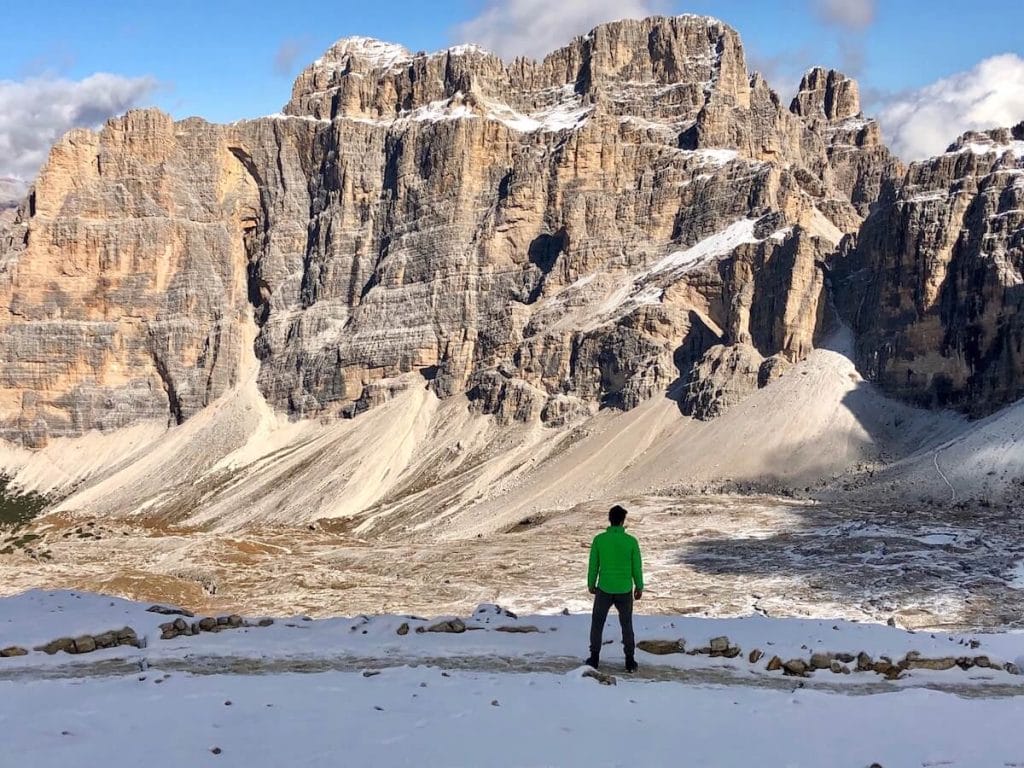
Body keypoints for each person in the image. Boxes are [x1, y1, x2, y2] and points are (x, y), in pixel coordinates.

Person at [585, 504, 644, 672]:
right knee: (626, 625)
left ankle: (594, 658)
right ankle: (630, 661)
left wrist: (591, 584)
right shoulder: (631, 542)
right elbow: (636, 567)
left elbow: (593, 565)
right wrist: (639, 587)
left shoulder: (599, 540)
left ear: (609, 520)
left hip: (604, 588)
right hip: (624, 589)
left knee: (597, 623)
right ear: (622, 521)